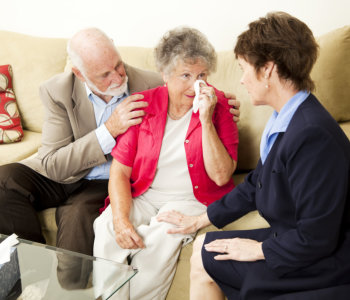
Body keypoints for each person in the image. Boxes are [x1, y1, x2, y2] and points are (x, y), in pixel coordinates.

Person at [157, 12, 350, 300]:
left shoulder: (312, 136)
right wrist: (199, 220)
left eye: (244, 68)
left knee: (208, 260)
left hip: (324, 260)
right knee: (202, 247)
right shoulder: (285, 119)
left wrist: (257, 250)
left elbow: (317, 237)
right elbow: (254, 183)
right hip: (294, 241)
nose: (243, 80)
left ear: (267, 70)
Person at [0, 28, 240, 257]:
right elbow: (53, 164)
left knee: (76, 219)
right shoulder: (56, 90)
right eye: (105, 74)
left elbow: (188, 86)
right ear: (80, 73)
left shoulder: (152, 83)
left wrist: (221, 107)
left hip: (108, 180)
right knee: (4, 179)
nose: (117, 77)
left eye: (118, 66)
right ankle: (29, 263)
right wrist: (109, 130)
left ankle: (72, 288)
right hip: (66, 171)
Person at [93, 26, 239, 300]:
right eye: (185, 75)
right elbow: (120, 171)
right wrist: (121, 219)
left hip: (192, 198)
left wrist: (206, 119)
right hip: (146, 195)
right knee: (107, 227)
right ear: (165, 74)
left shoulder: (217, 104)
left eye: (202, 75)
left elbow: (221, 176)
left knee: (161, 234)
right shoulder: (144, 105)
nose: (196, 85)